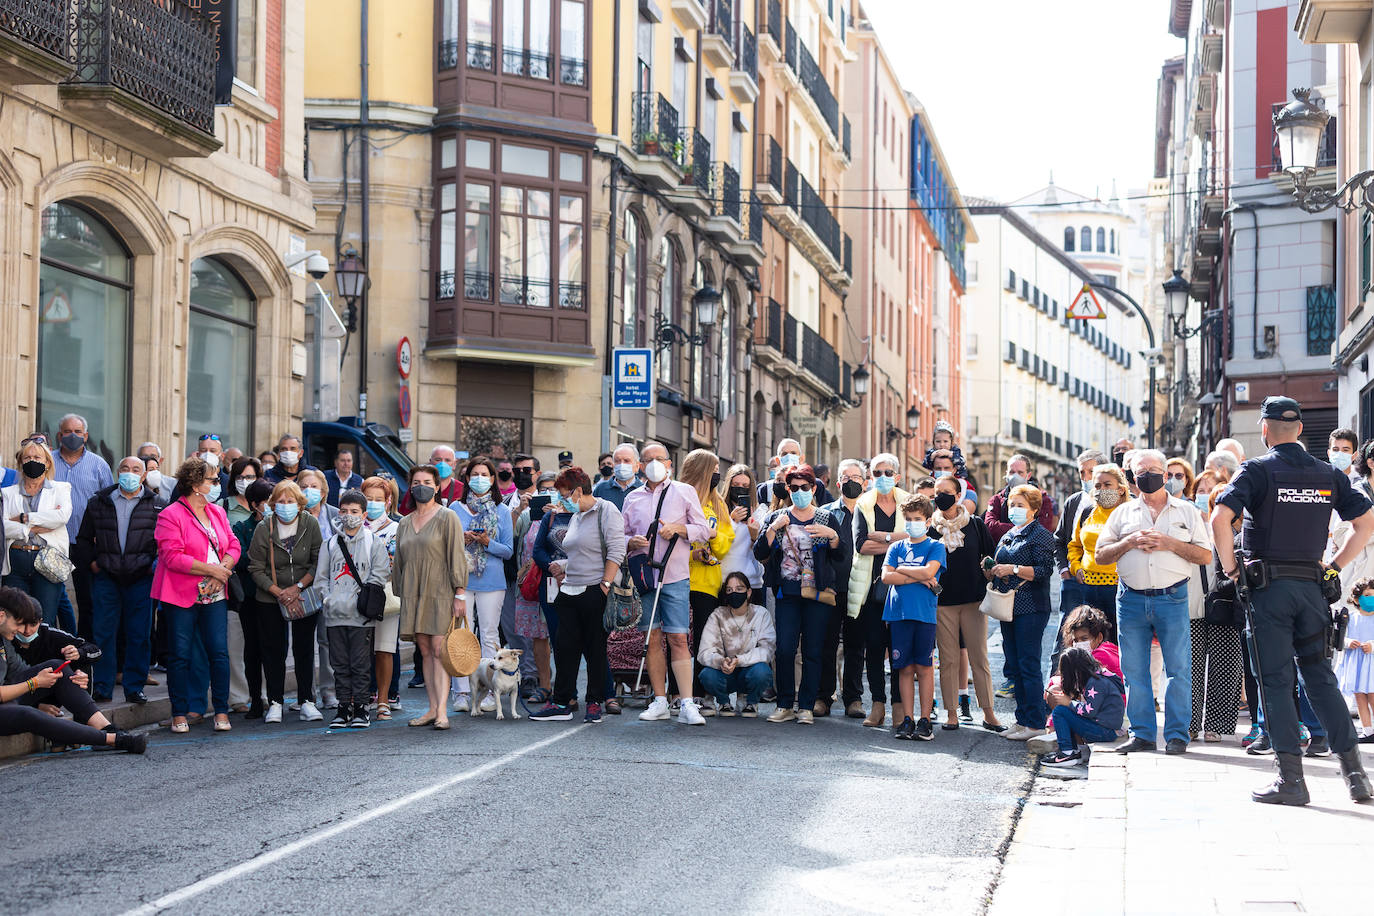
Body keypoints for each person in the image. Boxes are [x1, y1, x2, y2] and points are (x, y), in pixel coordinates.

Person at [1211, 396, 1373, 804]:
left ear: (1265, 430)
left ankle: (1292, 782)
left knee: (1276, 683)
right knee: (1321, 680)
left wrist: (1233, 569)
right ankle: (1356, 778)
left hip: (1268, 592)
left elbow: (1218, 518)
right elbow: (1366, 522)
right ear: (1300, 429)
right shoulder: (1327, 473)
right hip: (1312, 589)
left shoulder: (1257, 470)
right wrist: (1334, 566)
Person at [1096, 449, 1213, 756]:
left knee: (1178, 669)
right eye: (1140, 471)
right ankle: (1143, 734)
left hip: (1172, 597)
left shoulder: (1186, 512)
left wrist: (1169, 543)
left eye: (1153, 469)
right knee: (1134, 670)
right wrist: (1129, 542)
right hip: (1131, 598)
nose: (1147, 475)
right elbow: (1100, 555)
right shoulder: (1122, 514)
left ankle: (1176, 735)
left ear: (1163, 473)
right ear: (1133, 479)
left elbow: (1204, 555)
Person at [623, 442, 712, 725]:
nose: (653, 463)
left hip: (675, 577)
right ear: (640, 466)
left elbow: (704, 530)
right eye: (647, 459)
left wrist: (680, 529)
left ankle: (686, 702)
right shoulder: (632, 497)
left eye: (659, 458)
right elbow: (619, 535)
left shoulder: (684, 492)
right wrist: (630, 542)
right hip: (645, 577)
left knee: (678, 638)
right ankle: (660, 700)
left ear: (670, 463)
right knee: (651, 638)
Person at [529, 467, 625, 723]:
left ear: (578, 491)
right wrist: (562, 567)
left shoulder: (605, 510)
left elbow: (616, 550)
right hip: (569, 590)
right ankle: (562, 701)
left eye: (563, 495)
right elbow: (577, 553)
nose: (560, 501)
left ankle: (594, 702)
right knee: (564, 648)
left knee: (595, 649)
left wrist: (605, 585)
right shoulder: (577, 516)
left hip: (594, 589)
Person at [0, 587, 146, 753]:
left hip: (10, 697)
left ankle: (108, 728)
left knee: (56, 667)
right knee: (28, 714)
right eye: (18, 623)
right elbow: (27, 682)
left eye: (30, 624)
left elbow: (24, 672)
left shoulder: (6, 638)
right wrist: (34, 684)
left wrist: (69, 677)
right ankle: (111, 739)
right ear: (2, 616)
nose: (22, 630)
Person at [152, 457, 240, 734]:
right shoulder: (170, 514)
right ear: (195, 484)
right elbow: (172, 556)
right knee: (179, 655)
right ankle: (179, 712)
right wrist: (214, 569)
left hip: (215, 593)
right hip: (181, 594)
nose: (217, 485)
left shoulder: (218, 512)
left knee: (219, 652)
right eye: (212, 481)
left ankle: (221, 711)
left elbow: (234, 545)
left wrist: (220, 571)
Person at [754, 463, 842, 725]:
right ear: (788, 490)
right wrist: (772, 529)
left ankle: (805, 706)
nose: (799, 492)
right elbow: (760, 553)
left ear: (814, 488)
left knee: (814, 650)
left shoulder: (825, 517)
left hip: (816, 593)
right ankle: (784, 704)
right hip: (787, 593)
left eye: (805, 487)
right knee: (784, 649)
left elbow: (842, 556)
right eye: (794, 488)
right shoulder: (778, 517)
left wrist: (833, 537)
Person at [75, 456, 160, 704]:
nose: (130, 473)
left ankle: (134, 687)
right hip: (107, 578)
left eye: (136, 470)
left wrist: (151, 567)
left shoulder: (158, 505)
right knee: (103, 633)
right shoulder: (99, 502)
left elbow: (163, 544)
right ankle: (102, 685)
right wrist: (94, 564)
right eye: (125, 469)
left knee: (139, 634)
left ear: (144, 475)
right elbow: (83, 539)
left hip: (141, 579)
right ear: (117, 472)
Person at [392, 465, 468, 729]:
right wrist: (400, 593)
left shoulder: (448, 517)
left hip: (440, 591)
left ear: (437, 486)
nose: (420, 486)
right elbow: (399, 562)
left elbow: (456, 556)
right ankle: (432, 708)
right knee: (424, 651)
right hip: (413, 593)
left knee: (439, 650)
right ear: (410, 487)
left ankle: (443, 712)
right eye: (416, 482)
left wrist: (460, 593)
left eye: (426, 481)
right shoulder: (403, 522)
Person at [929, 473, 1002, 731]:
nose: (940, 497)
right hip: (943, 602)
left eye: (946, 491)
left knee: (979, 658)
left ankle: (989, 713)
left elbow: (989, 554)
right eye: (937, 492)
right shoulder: (930, 527)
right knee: (948, 660)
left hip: (973, 601)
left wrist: (988, 567)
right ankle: (951, 713)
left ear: (958, 495)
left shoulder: (976, 524)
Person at [247, 480, 324, 724]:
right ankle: (275, 702)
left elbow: (317, 560)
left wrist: (297, 587)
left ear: (300, 504)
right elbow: (255, 567)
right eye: (280, 501)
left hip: (303, 594)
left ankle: (306, 701)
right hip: (270, 597)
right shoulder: (264, 527)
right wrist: (278, 592)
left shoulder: (310, 524)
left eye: (290, 501)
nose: (285, 505)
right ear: (273, 504)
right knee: (273, 651)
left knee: (303, 649)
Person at [315, 490, 389, 729]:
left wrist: (363, 600)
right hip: (335, 614)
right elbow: (321, 578)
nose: (349, 516)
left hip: (360, 615)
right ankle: (343, 706)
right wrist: (328, 599)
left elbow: (380, 573)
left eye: (355, 512)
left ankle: (361, 708)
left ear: (364, 514)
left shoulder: (373, 542)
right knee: (339, 664)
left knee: (360, 664)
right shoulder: (330, 543)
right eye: (344, 511)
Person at [987, 484, 1056, 741]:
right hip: (1009, 606)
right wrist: (992, 567)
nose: (1014, 509)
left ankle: (1036, 722)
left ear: (1034, 510)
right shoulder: (1010, 533)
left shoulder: (1040, 535)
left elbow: (1043, 571)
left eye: (1020, 505)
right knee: (1014, 665)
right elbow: (1000, 560)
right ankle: (1022, 718)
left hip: (1032, 608)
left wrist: (1012, 569)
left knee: (1028, 664)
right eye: (1012, 504)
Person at [845, 453, 906, 728]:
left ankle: (899, 706)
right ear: (870, 477)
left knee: (898, 650)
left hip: (903, 587)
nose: (882, 478)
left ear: (898, 476)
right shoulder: (863, 504)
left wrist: (882, 538)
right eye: (877, 473)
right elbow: (861, 545)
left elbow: (917, 539)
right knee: (874, 648)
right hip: (872, 589)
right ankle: (878, 705)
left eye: (888, 472)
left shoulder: (909, 503)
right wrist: (898, 542)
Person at [451, 456, 514, 714]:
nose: (479, 478)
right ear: (466, 478)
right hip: (462, 582)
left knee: (489, 635)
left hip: (492, 581)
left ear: (492, 479)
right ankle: (462, 692)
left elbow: (509, 551)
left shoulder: (502, 511)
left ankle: (490, 690)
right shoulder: (454, 508)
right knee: (461, 636)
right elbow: (446, 546)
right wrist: (462, 540)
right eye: (474, 474)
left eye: (484, 474)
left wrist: (488, 542)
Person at [881, 494, 946, 741]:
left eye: (917, 519)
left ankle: (925, 720)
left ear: (928, 521)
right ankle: (907, 719)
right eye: (907, 519)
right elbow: (886, 577)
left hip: (924, 615)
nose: (912, 523)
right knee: (904, 668)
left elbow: (931, 571)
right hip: (898, 614)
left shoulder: (935, 546)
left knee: (924, 667)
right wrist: (917, 576)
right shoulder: (895, 547)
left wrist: (902, 570)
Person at [681, 449, 735, 715]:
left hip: (708, 583)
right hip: (679, 578)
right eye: (713, 471)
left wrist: (712, 536)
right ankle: (676, 693)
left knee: (704, 640)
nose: (717, 476)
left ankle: (701, 694)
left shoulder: (718, 505)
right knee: (677, 638)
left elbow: (725, 545)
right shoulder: (677, 497)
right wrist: (693, 551)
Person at [51, 414, 113, 639]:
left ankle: (85, 652)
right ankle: (57, 648)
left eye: (78, 432)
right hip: (52, 543)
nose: (72, 436)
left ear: (86, 436)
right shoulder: (48, 461)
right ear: (60, 435)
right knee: (51, 600)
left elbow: (109, 505)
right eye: (68, 431)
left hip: (84, 544)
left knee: (87, 601)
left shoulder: (98, 465)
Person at [3, 439, 73, 628]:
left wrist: (24, 518)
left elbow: (61, 517)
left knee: (44, 619)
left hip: (47, 560)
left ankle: (42, 658)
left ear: (47, 462)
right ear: (20, 462)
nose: (32, 461)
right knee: (13, 619)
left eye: (37, 457)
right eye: (27, 457)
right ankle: (15, 658)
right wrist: (33, 528)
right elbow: (3, 527)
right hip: (15, 561)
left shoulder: (61, 489)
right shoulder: (7, 493)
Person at [1193, 496, 1246, 743]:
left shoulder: (1249, 534)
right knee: (1191, 669)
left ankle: (1216, 724)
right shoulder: (1198, 527)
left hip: (1225, 608)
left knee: (1225, 668)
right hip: (1194, 604)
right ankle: (1190, 723)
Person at [816, 459, 861, 716]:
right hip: (832, 588)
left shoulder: (869, 513)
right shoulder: (825, 512)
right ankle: (824, 697)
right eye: (846, 477)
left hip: (859, 589)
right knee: (827, 644)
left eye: (856, 477)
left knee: (856, 645)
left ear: (864, 483)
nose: (851, 481)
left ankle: (853, 698)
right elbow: (818, 553)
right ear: (838, 482)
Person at [698, 572, 776, 716]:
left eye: (739, 589)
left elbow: (767, 650)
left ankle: (751, 702)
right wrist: (721, 661)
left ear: (749, 592)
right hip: (725, 672)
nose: (734, 593)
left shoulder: (761, 614)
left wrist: (739, 660)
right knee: (706, 675)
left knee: (763, 672)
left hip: (750, 671)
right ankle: (723, 702)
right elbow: (704, 652)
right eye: (729, 590)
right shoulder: (718, 614)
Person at [1066, 463, 1129, 636]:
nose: (1102, 489)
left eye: (1107, 485)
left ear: (1121, 489)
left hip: (1120, 588)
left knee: (1117, 638)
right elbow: (1074, 545)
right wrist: (1075, 567)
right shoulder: (1088, 512)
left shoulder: (1129, 513)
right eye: (1098, 486)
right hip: (1089, 587)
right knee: (1093, 638)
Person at [1040, 647, 1127, 769]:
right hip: (1105, 729)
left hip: (1105, 732)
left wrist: (1069, 702)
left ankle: (1067, 753)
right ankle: (1074, 751)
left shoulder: (1095, 682)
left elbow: (1089, 711)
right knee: (1066, 712)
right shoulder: (1096, 677)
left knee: (1060, 711)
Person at [1055, 450, 1107, 649]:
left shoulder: (1116, 504)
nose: (1086, 477)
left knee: (1099, 634)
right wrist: (1064, 570)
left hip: (1102, 582)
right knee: (1066, 636)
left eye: (1091, 471)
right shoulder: (1074, 502)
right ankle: (1059, 677)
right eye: (1082, 472)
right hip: (1072, 582)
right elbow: (1060, 540)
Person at [516, 470, 561, 701]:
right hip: (533, 584)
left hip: (561, 581)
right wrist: (519, 510)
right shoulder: (527, 517)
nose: (549, 494)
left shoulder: (568, 514)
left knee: (563, 635)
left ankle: (564, 687)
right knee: (538, 637)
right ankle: (544, 685)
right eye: (544, 490)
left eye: (554, 489)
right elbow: (514, 541)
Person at [231, 479, 273, 718]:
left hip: (273, 597)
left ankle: (273, 697)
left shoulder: (278, 526)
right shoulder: (241, 528)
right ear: (255, 504)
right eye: (267, 502)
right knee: (252, 651)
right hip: (249, 597)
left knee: (273, 648)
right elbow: (244, 560)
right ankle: (255, 699)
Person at [362, 475, 402, 719]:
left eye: (379, 499)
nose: (374, 503)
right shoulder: (351, 526)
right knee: (358, 649)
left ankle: (384, 699)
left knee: (384, 649)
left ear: (388, 502)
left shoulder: (397, 529)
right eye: (368, 499)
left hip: (385, 596)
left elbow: (395, 563)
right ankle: (359, 696)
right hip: (357, 596)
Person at [985, 454, 1055, 543]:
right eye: (1011, 472)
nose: (1015, 476)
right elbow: (990, 527)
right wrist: (1027, 528)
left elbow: (1043, 532)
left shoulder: (1042, 500)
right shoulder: (997, 499)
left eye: (1020, 472)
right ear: (1006, 474)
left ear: (1028, 475)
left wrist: (1001, 527)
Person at [718, 464, 765, 592]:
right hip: (724, 580)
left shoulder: (759, 513)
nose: (740, 489)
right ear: (729, 485)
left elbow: (762, 553)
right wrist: (731, 522)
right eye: (735, 485)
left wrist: (755, 536)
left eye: (745, 486)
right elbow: (716, 544)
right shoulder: (719, 510)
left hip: (752, 581)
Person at [1339, 578, 1374, 742]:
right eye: (1367, 595)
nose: (1371, 598)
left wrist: (1372, 646)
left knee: (1373, 696)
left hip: (1371, 663)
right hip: (1357, 663)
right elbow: (1340, 639)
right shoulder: (1350, 618)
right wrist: (1348, 643)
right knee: (1359, 696)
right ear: (1356, 599)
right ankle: (1367, 730)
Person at [756, 439, 832, 506]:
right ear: (778, 461)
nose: (789, 456)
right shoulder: (766, 489)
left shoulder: (816, 484)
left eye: (793, 453)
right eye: (784, 454)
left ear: (801, 458)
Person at [400, 446, 464, 513]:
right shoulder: (418, 488)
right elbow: (404, 515)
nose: (442, 464)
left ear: (454, 464)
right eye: (438, 460)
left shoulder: (461, 489)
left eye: (447, 460)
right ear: (430, 462)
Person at [592, 443, 643, 510]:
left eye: (626, 461)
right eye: (617, 461)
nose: (621, 464)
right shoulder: (601, 489)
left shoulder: (644, 491)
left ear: (637, 466)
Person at [927, 449, 977, 514]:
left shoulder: (968, 493)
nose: (942, 471)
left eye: (946, 468)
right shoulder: (924, 489)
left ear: (954, 470)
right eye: (938, 468)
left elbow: (964, 518)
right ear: (933, 469)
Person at [224, 457, 263, 526]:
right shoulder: (223, 505)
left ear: (258, 478)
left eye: (249, 477)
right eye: (239, 477)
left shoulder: (267, 505)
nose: (244, 482)